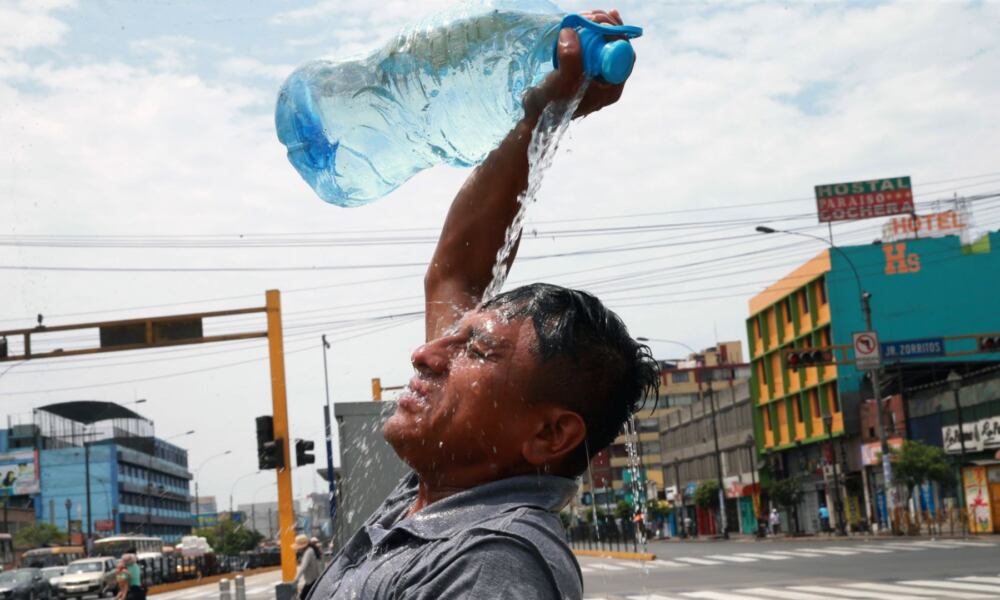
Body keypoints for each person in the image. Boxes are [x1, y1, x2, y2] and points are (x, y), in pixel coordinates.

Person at [306, 9, 657, 600]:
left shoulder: (492, 563)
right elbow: (459, 270)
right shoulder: (438, 496)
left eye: (477, 348)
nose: (424, 353)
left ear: (548, 435)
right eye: (458, 336)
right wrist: (546, 113)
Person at [292, 534, 323, 600]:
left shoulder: (309, 552)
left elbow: (303, 566)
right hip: (313, 580)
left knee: (303, 597)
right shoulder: (310, 550)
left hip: (312, 581)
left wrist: (296, 579)